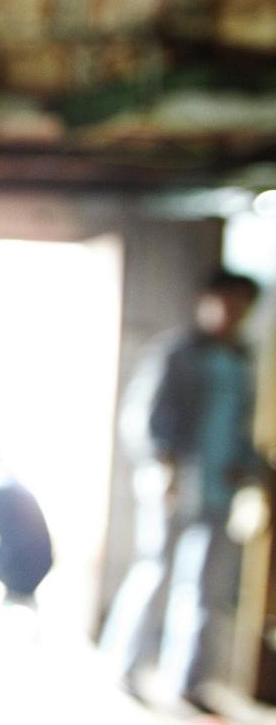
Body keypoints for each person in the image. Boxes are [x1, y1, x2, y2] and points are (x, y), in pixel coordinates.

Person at [99, 268, 266, 711]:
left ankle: (189, 679)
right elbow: (144, 420)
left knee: (205, 588)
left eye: (241, 305)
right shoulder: (177, 353)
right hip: (172, 486)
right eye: (225, 302)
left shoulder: (241, 360)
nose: (232, 313)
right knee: (154, 571)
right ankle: (123, 666)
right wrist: (164, 466)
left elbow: (240, 431)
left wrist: (255, 472)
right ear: (207, 301)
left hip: (217, 489)